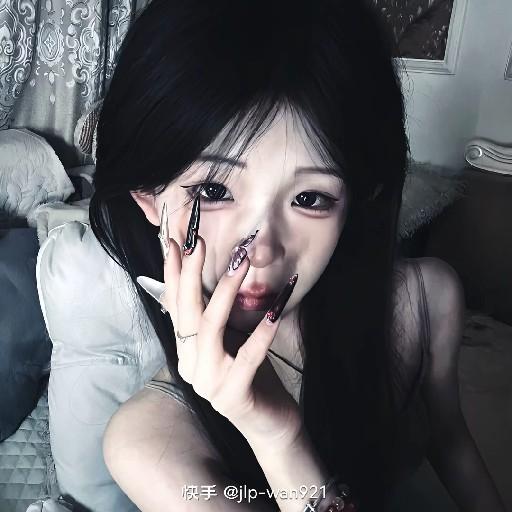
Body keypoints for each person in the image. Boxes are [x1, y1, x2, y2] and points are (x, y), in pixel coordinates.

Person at [88, 0, 505, 510]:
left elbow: (450, 440)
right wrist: (276, 436)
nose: (261, 251)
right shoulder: (150, 443)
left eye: (310, 198)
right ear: (150, 199)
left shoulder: (424, 301)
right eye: (214, 191)